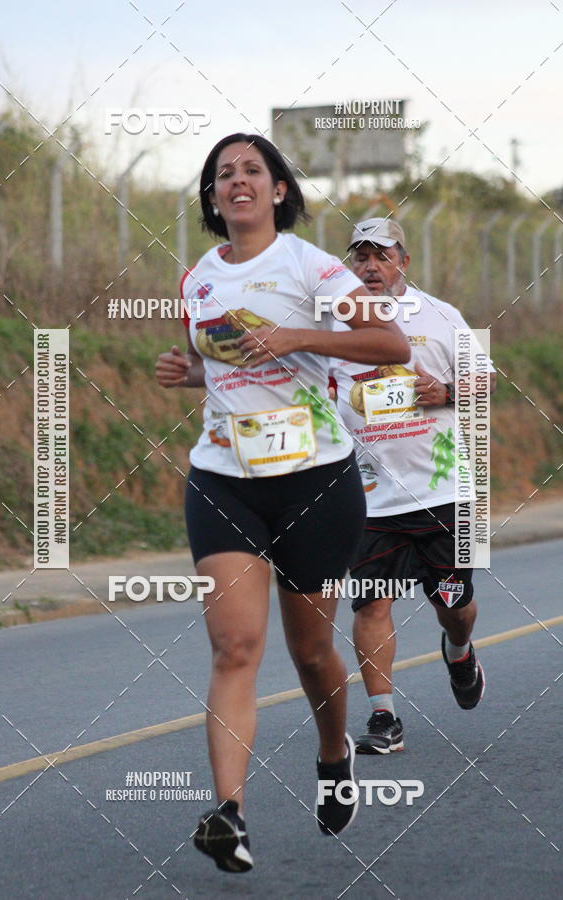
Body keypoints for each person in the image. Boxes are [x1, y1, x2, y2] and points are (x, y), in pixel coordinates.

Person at [156, 138, 410, 872]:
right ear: (212, 198)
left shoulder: (312, 267)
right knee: (235, 647)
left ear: (277, 191)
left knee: (310, 650)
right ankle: (229, 816)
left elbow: (390, 342)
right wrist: (189, 370)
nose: (236, 182)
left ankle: (333, 756)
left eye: (251, 171)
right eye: (222, 175)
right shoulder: (197, 278)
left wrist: (295, 336)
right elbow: (227, 365)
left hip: (315, 482)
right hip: (224, 478)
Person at [329, 217, 496, 755]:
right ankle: (384, 717)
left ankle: (459, 649)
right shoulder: (332, 323)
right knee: (370, 605)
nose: (370, 266)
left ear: (403, 261)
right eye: (360, 256)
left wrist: (444, 391)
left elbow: (486, 380)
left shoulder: (440, 314)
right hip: (369, 496)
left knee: (455, 603)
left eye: (382, 255)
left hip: (445, 490)